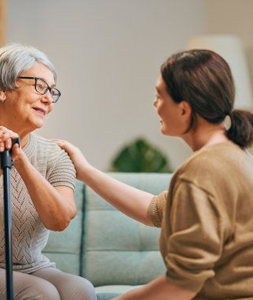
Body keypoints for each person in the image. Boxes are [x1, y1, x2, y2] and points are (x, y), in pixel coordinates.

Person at [57, 49, 253, 299]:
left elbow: (183, 284)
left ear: (184, 109)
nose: (155, 103)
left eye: (159, 95)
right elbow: (154, 210)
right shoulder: (235, 156)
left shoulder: (202, 171)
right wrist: (85, 172)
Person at [0, 43, 96, 300]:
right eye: (39, 86)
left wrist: (20, 160)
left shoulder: (55, 156)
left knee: (80, 291)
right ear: (2, 88)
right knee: (39, 293)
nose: (48, 99)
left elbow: (60, 220)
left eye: (52, 91)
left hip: (33, 266)